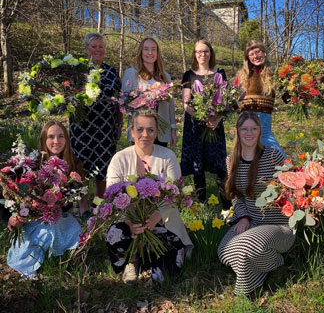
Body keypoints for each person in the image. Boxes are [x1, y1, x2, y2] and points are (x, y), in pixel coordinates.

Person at [105, 109, 193, 283]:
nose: (145, 134)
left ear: (156, 132)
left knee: (164, 275)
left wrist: (156, 216)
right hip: (130, 223)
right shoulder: (119, 159)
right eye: (140, 129)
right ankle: (132, 260)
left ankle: (153, 261)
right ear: (131, 132)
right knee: (115, 234)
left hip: (163, 222)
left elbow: (175, 194)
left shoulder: (168, 157)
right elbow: (111, 197)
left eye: (150, 130)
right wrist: (130, 222)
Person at [217, 112, 295, 296]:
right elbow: (236, 196)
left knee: (244, 248)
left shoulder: (272, 155)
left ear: (260, 131)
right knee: (224, 252)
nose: (249, 133)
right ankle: (272, 263)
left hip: (279, 225)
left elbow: (292, 185)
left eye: (253, 129)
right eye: (244, 129)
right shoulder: (231, 160)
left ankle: (243, 291)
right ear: (237, 132)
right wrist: (243, 216)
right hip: (252, 223)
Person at [7, 121, 88, 278]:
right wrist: (14, 214)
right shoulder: (33, 163)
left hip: (59, 216)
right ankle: (34, 262)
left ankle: (56, 259)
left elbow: (82, 200)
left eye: (60, 136)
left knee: (72, 232)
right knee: (42, 233)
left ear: (67, 139)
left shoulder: (74, 163)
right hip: (34, 218)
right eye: (51, 137)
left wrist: (87, 218)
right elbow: (16, 193)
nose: (56, 141)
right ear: (44, 139)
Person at [70, 32, 123, 198]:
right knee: (81, 168)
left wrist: (119, 124)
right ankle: (83, 205)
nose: (98, 50)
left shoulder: (112, 72)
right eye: (94, 47)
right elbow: (68, 98)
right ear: (87, 49)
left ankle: (99, 204)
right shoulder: (77, 71)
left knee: (103, 167)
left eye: (101, 46)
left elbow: (120, 101)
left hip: (105, 128)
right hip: (81, 128)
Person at [181, 39, 230, 210]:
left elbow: (225, 100)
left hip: (215, 126)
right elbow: (186, 104)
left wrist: (217, 118)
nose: (202, 54)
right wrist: (201, 116)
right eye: (199, 51)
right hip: (195, 126)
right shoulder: (189, 74)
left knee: (220, 165)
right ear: (194, 54)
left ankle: (226, 207)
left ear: (211, 53)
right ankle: (201, 204)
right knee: (197, 165)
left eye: (206, 51)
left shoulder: (220, 73)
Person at [121, 37, 177, 147]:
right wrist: (148, 97)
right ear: (141, 52)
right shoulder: (131, 74)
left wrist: (173, 129)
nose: (150, 53)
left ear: (157, 52)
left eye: (153, 49)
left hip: (161, 131)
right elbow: (124, 104)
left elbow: (170, 106)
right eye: (146, 49)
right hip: (140, 131)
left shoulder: (165, 77)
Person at [235, 40, 285, 157]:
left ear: (264, 53)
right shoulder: (242, 75)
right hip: (246, 119)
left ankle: (286, 172)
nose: (255, 56)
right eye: (251, 54)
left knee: (273, 151)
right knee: (247, 151)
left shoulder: (273, 75)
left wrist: (297, 91)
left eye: (258, 52)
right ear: (247, 57)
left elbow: (286, 97)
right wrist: (238, 111)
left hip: (264, 120)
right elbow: (230, 96)